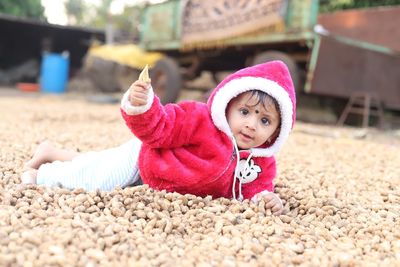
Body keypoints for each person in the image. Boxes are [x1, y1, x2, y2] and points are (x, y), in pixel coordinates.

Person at [22, 60, 296, 215]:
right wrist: (144, 105)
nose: (251, 125)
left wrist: (266, 200)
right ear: (228, 105)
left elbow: (254, 191)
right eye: (245, 112)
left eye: (264, 120)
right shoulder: (200, 120)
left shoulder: (261, 163)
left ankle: (51, 151)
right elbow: (162, 125)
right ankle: (41, 176)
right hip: (145, 159)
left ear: (277, 130)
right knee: (98, 177)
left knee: (98, 161)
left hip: (160, 183)